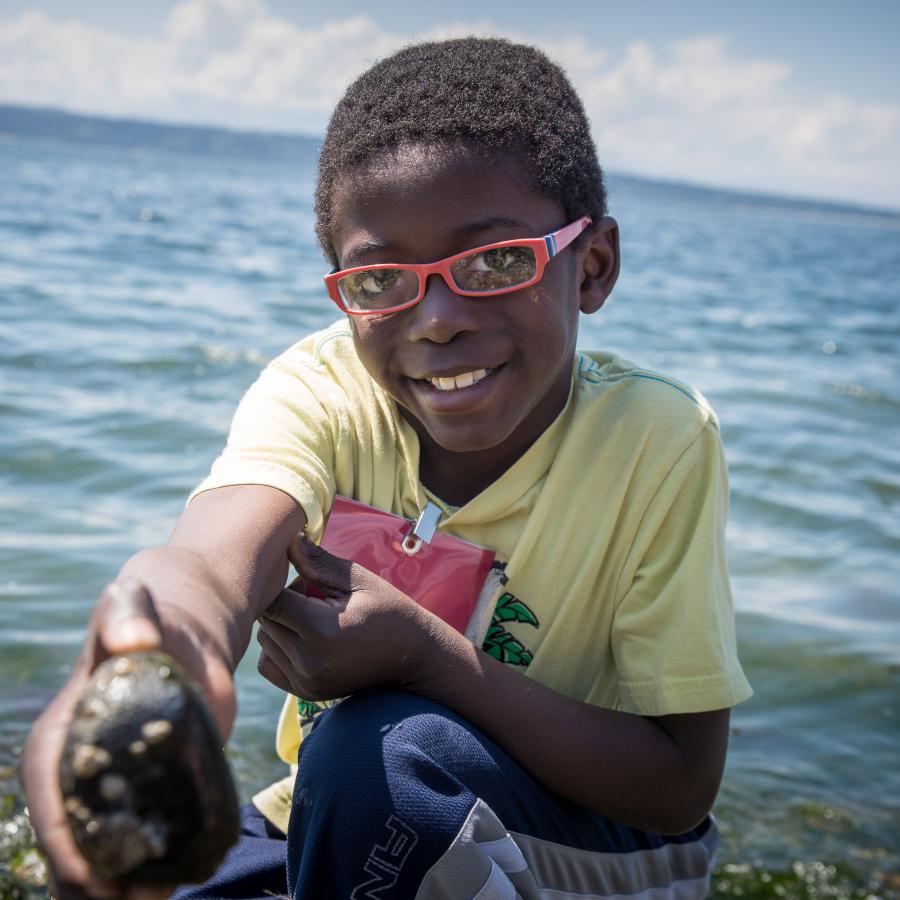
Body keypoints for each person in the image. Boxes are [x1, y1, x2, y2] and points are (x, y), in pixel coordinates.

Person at [21, 37, 752, 899]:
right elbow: (213, 559)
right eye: (379, 281)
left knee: (384, 754)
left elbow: (676, 789)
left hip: (591, 844)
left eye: (494, 262)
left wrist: (422, 655)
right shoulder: (321, 391)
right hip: (340, 816)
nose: (437, 319)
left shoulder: (656, 438)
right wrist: (151, 648)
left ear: (590, 267)